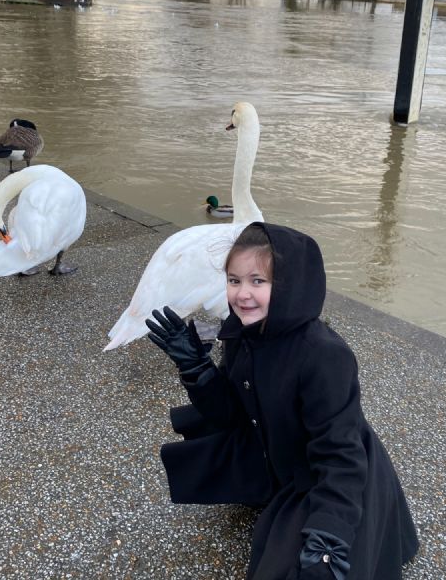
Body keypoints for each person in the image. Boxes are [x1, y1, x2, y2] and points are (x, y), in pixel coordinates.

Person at [145, 222, 419, 580]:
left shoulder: (323, 355)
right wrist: (197, 369)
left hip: (322, 472)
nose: (242, 294)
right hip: (274, 449)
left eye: (258, 281)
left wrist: (328, 533)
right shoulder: (242, 332)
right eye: (234, 280)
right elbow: (231, 415)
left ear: (291, 285)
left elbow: (340, 454)